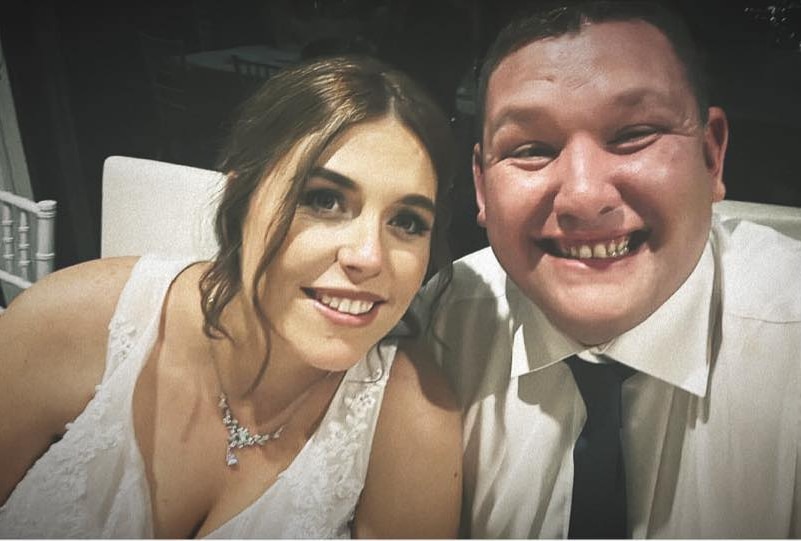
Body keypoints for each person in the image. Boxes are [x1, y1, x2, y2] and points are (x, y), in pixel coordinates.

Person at [0, 55, 462, 538]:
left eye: (407, 222)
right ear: (240, 203)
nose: (369, 257)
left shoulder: (412, 419)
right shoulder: (71, 319)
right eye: (323, 199)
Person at [411, 1, 801, 538]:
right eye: (531, 149)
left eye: (633, 134)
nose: (582, 196)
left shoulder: (799, 336)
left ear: (711, 156)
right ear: (483, 188)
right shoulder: (438, 330)